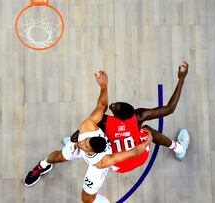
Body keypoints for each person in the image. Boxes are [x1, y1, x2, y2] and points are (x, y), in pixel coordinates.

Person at [24, 70, 153, 203]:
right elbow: (102, 106)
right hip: (89, 151)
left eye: (85, 145)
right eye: (86, 140)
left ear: (92, 151)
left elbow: (135, 151)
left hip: (95, 168)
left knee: (86, 199)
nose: (82, 142)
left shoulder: (103, 161)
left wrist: (147, 141)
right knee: (58, 157)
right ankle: (43, 165)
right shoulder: (88, 128)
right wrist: (104, 85)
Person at [67, 61, 190, 174]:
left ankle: (78, 150)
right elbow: (170, 109)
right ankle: (179, 149)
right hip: (139, 156)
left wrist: (79, 137)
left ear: (117, 116)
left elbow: (80, 132)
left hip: (119, 166)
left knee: (94, 137)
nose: (112, 105)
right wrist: (181, 79)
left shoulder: (105, 122)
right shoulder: (138, 116)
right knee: (147, 131)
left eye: (114, 107)